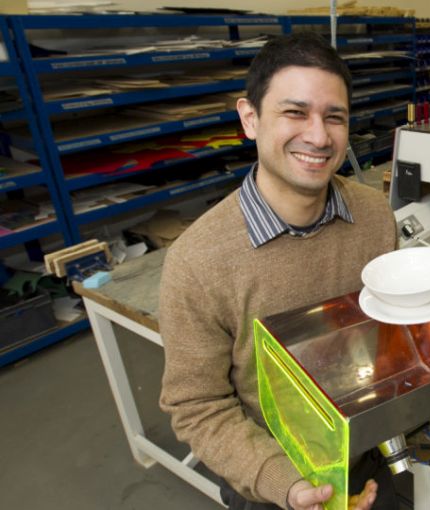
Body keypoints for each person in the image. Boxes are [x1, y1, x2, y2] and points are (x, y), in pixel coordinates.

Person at [158, 33, 398, 510]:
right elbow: (198, 406)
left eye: (335, 117)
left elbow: (394, 332)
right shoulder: (197, 262)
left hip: (368, 451)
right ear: (250, 118)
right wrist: (286, 485)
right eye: (295, 112)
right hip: (271, 478)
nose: (318, 135)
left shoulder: (374, 216)